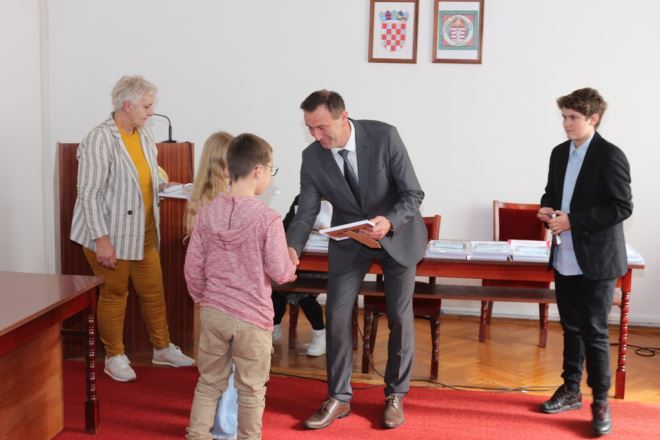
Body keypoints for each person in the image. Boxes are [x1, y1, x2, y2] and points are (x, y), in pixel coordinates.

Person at [286, 90, 427, 430]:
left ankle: (395, 394)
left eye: (322, 127)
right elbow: (305, 212)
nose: (316, 136)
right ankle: (339, 397)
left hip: (396, 234)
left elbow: (413, 193)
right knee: (336, 313)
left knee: (399, 315)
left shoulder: (383, 136)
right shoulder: (312, 157)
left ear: (343, 116)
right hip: (351, 241)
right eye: (309, 128)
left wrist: (389, 221)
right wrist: (291, 249)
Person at [70, 75, 194, 382]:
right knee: (115, 294)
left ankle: (162, 348)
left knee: (154, 292)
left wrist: (165, 183)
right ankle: (115, 356)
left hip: (143, 231)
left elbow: (149, 169)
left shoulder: (143, 133)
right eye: (147, 106)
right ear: (128, 105)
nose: (151, 112)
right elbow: (88, 193)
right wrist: (101, 240)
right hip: (108, 233)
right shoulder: (99, 139)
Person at [184, 133, 297, 440]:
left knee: (209, 383)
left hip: (214, 312)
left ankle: (197, 435)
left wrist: (205, 299)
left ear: (228, 168)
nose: (270, 177)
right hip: (252, 318)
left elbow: (192, 267)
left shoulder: (207, 213)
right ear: (258, 170)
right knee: (251, 390)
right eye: (271, 170)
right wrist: (291, 261)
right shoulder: (268, 219)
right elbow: (280, 272)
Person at [537, 87, 632, 436]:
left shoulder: (610, 156)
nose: (566, 123)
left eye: (573, 117)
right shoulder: (559, 153)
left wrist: (573, 220)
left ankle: (601, 402)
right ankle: (571, 389)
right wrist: (546, 208)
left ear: (593, 119)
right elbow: (552, 192)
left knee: (594, 330)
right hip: (565, 254)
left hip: (598, 259)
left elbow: (622, 207)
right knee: (572, 327)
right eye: (563, 116)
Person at [184, 131, 238, 440]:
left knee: (214, 369)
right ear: (221, 164)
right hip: (227, 299)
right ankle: (225, 429)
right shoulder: (222, 204)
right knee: (228, 369)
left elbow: (194, 266)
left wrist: (201, 296)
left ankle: (210, 423)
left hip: (210, 299)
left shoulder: (202, 200)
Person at [271, 195, 329, 356]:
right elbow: (285, 226)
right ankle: (274, 327)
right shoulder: (301, 198)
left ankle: (320, 335)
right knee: (277, 287)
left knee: (304, 295)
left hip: (326, 261)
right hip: (300, 256)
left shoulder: (341, 198)